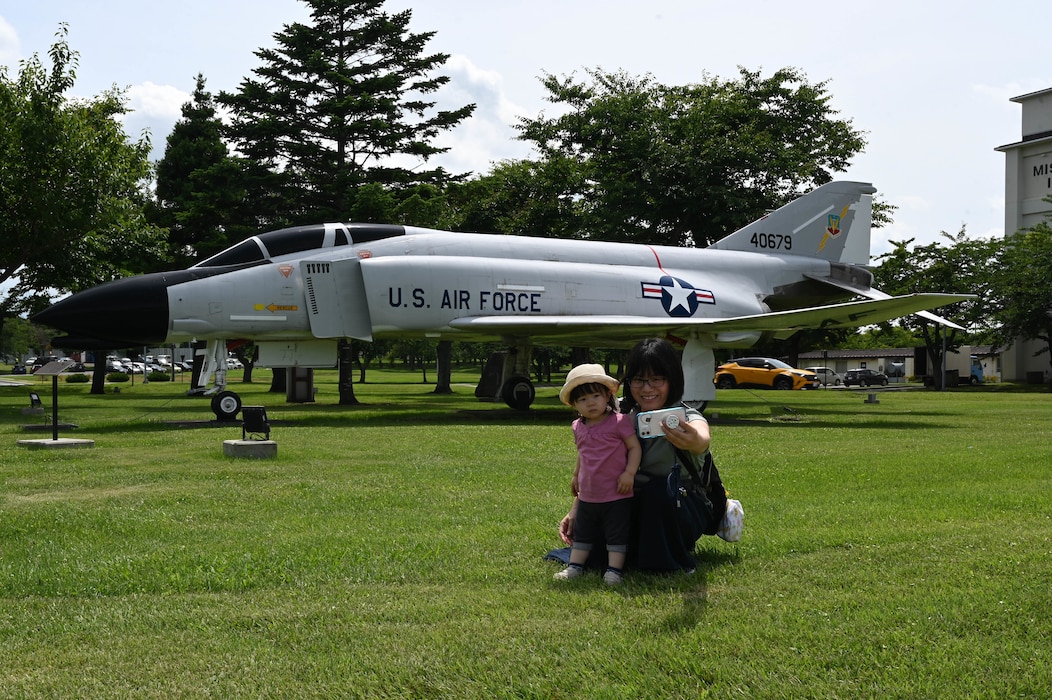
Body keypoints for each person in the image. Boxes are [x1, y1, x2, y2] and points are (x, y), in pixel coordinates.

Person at [557, 338, 725, 573]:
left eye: (657, 379)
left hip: (678, 507)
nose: (647, 389)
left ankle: (663, 559)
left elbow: (701, 436)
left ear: (672, 380)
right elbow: (598, 463)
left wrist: (694, 440)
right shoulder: (619, 416)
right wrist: (577, 508)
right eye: (639, 380)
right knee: (598, 533)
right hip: (626, 503)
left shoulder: (686, 416)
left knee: (656, 492)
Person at [553, 364, 642, 585]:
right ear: (574, 405)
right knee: (583, 534)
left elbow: (634, 448)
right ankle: (574, 567)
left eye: (595, 396)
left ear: (607, 396)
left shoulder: (619, 422)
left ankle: (614, 571)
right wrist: (575, 476)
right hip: (588, 495)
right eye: (582, 400)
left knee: (616, 535)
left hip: (617, 494)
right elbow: (582, 454)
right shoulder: (577, 426)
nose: (591, 402)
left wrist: (629, 473)